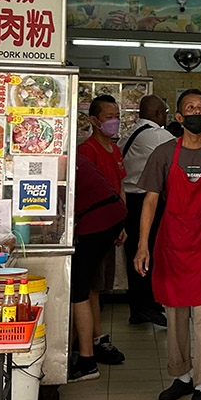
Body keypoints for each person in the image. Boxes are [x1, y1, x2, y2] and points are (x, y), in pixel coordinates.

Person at [134, 88, 201, 400]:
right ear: (179, 118)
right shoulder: (164, 154)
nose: (197, 111)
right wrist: (143, 245)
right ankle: (182, 376)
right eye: (190, 108)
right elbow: (150, 201)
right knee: (176, 312)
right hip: (172, 240)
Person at [76, 95, 126, 366]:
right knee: (91, 287)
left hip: (111, 224)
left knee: (99, 285)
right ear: (94, 121)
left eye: (116, 115)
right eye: (109, 117)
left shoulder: (114, 149)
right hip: (93, 226)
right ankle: (95, 339)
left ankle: (95, 339)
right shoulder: (88, 150)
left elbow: (120, 187)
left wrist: (122, 224)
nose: (114, 121)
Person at [69, 154, 127, 381]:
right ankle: (79, 348)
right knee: (85, 285)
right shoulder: (79, 157)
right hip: (112, 213)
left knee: (78, 290)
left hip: (98, 220)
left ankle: (87, 361)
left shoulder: (65, 160)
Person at [119, 94, 172, 327]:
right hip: (145, 201)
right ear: (159, 114)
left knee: (136, 253)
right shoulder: (158, 135)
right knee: (147, 252)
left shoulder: (131, 132)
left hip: (128, 199)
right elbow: (184, 152)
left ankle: (140, 306)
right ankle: (146, 307)